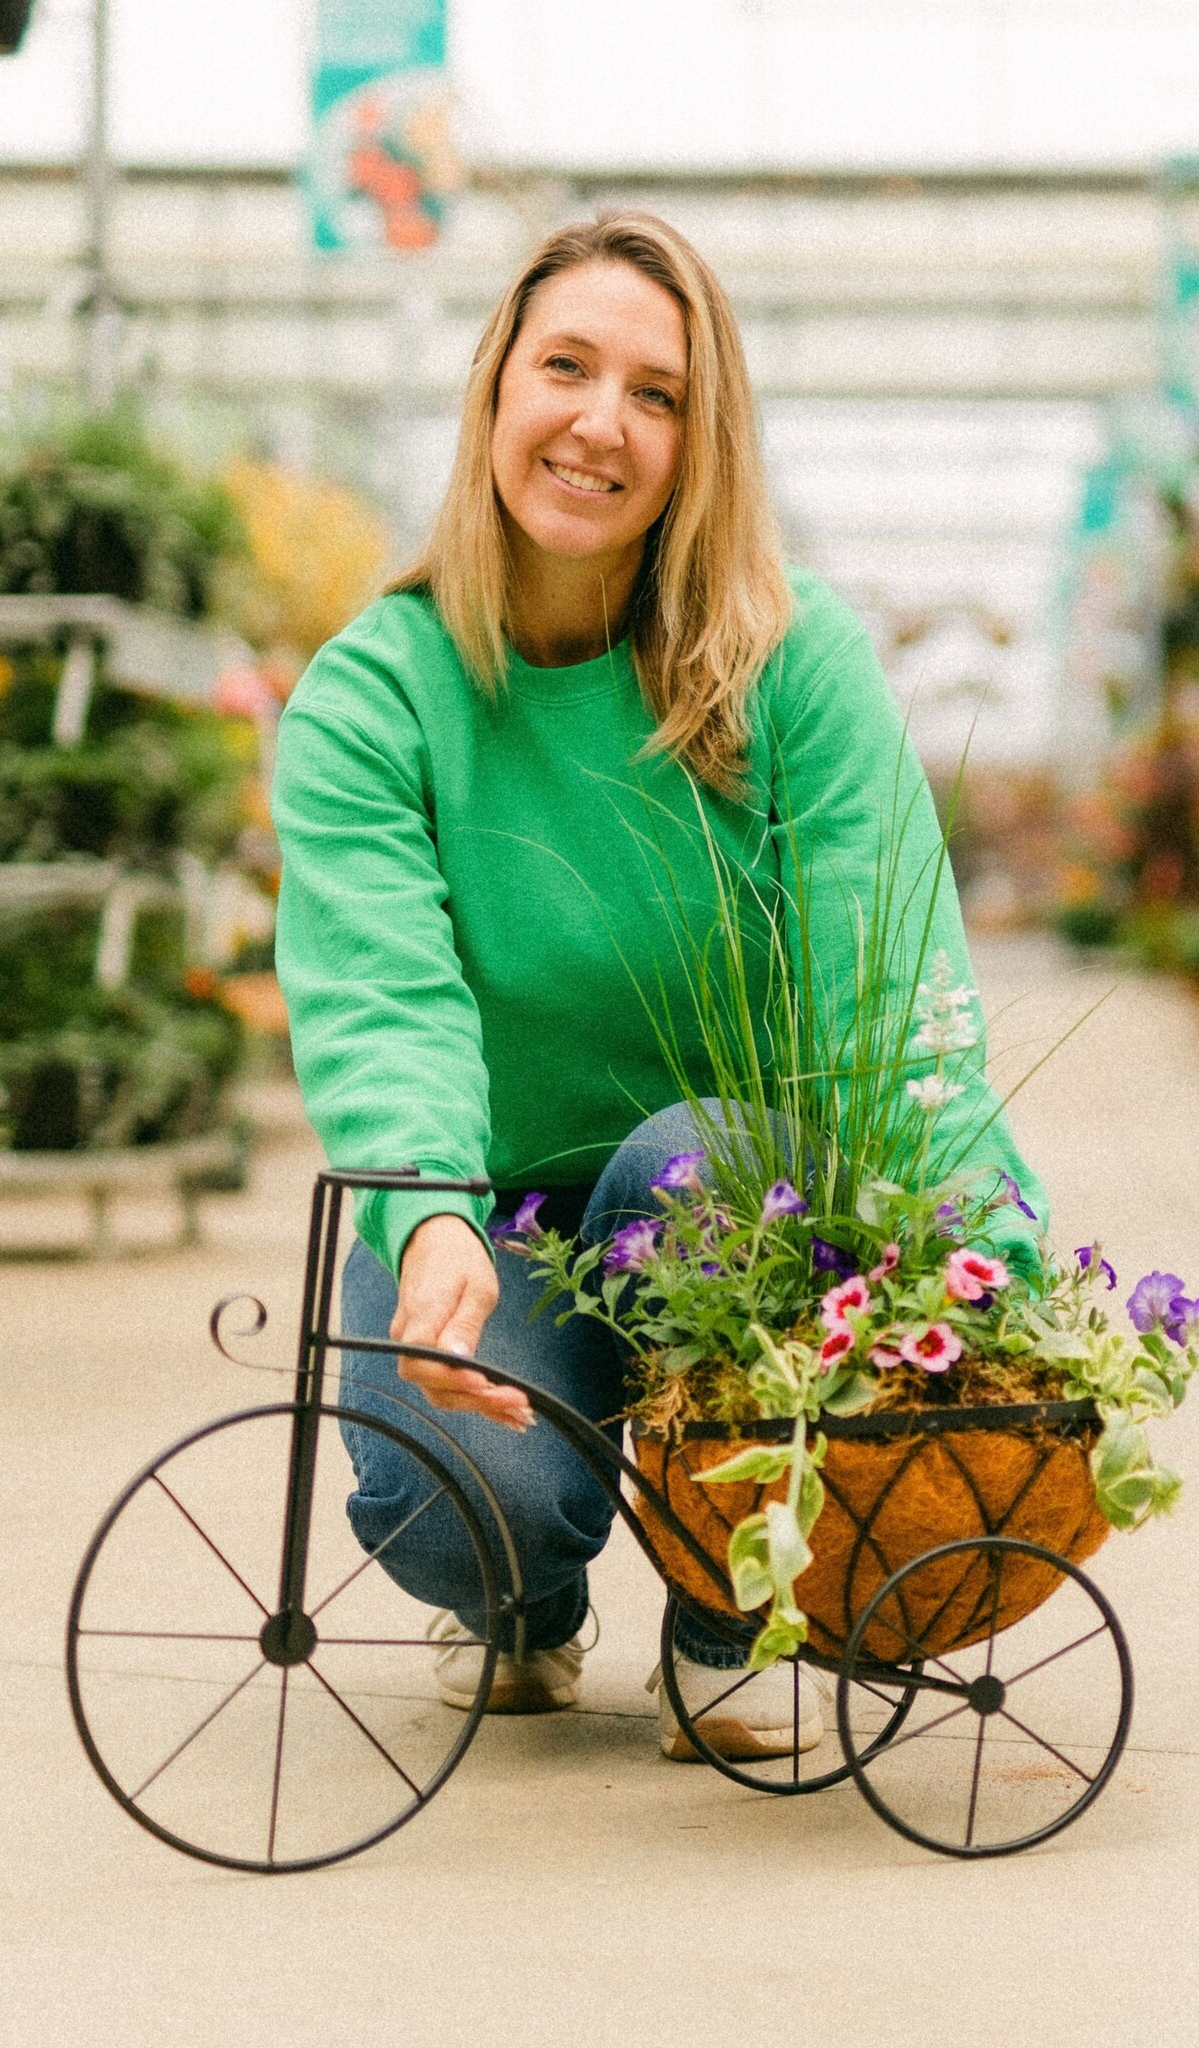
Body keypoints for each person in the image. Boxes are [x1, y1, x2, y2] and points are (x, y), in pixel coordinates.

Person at [272, 212, 1046, 1761]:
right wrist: (426, 1210)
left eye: (658, 394)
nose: (599, 423)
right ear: (498, 386)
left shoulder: (789, 663)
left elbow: (882, 985)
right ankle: (520, 1606)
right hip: (497, 1220)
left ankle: (726, 1604)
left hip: (726, 1204)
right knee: (446, 1491)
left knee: (696, 1157)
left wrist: (988, 1255)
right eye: (566, 366)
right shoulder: (375, 696)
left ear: (700, 446)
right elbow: (385, 996)